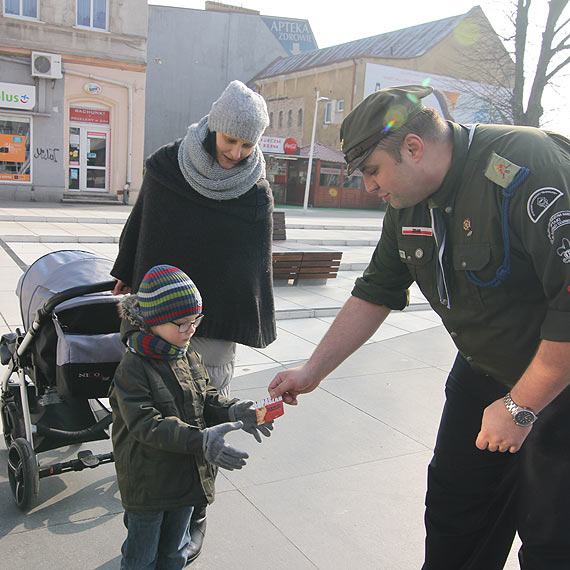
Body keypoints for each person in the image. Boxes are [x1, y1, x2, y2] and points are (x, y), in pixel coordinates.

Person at [268, 85, 570, 570]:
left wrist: (520, 407)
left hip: (559, 382)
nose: (369, 187)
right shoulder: (407, 202)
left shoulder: (525, 165)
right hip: (483, 372)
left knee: (553, 540)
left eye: (372, 171)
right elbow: (376, 289)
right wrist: (312, 370)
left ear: (413, 148)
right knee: (455, 516)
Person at [111, 79, 277, 558]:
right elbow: (143, 218)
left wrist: (250, 317)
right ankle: (143, 498)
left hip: (215, 316)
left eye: (248, 144)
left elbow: (255, 259)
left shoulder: (254, 189)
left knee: (205, 403)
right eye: (231, 140)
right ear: (214, 128)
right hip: (159, 306)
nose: (237, 152)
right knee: (150, 398)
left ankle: (194, 512)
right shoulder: (168, 164)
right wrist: (126, 269)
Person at [110, 265, 273, 569]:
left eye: (195, 320)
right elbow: (146, 425)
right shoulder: (132, 367)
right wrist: (201, 440)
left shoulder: (187, 355)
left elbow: (207, 398)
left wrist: (236, 409)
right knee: (141, 556)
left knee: (176, 551)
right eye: (182, 324)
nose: (191, 330)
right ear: (152, 322)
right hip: (148, 484)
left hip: (186, 477)